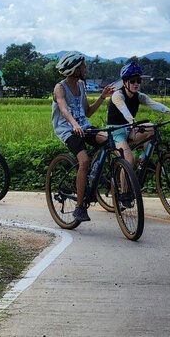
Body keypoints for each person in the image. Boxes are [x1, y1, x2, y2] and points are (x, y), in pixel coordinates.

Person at [51, 51, 116, 222]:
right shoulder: (60, 87)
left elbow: (87, 112)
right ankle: (80, 207)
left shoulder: (80, 85)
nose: (86, 68)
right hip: (67, 129)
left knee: (109, 140)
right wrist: (74, 124)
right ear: (75, 69)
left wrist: (102, 97)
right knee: (84, 161)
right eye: (83, 66)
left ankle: (95, 173)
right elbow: (63, 109)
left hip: (83, 126)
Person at [106, 62, 170, 171]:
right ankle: (126, 189)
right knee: (128, 161)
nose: (136, 84)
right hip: (116, 131)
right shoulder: (118, 95)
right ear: (125, 82)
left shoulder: (139, 96)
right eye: (132, 81)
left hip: (130, 129)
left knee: (151, 128)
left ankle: (143, 161)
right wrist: (132, 122)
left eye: (138, 81)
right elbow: (124, 110)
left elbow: (155, 104)